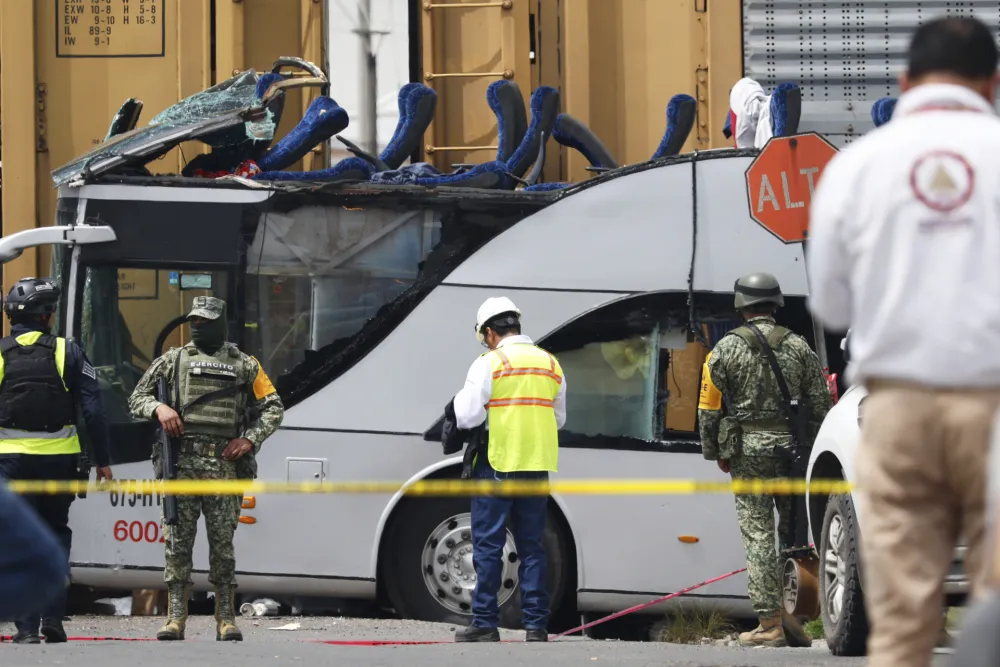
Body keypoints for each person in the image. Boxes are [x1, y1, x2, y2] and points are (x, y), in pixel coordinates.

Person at [806, 16, 1000, 667]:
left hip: (898, 407)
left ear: (904, 81)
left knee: (902, 623)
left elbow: (831, 303)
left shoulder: (856, 168)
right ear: (993, 84)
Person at [128, 296, 283, 642]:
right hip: (181, 464)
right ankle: (175, 619)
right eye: (193, 320)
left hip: (224, 467)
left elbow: (273, 407)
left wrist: (250, 440)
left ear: (220, 322)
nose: (197, 326)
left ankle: (226, 618)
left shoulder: (244, 364)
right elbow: (137, 397)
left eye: (205, 321)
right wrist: (159, 409)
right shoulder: (174, 359)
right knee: (176, 544)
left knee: (222, 545)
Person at [697, 272, 831, 648]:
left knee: (758, 536)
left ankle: (769, 624)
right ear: (776, 305)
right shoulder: (799, 347)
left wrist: (716, 452)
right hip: (791, 452)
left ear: (741, 306)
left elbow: (707, 408)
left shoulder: (723, 350)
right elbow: (821, 404)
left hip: (747, 452)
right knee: (793, 536)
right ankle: (794, 617)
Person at [0, 277, 113, 644]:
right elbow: (94, 412)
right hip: (60, 463)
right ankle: (54, 620)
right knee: (55, 535)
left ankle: (27, 628)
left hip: (10, 464)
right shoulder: (69, 352)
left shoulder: (0, 354)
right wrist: (103, 460)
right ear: (46, 315)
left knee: (18, 539)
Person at [449, 297, 566, 643]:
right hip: (536, 465)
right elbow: (559, 418)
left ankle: (485, 622)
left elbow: (468, 416)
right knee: (532, 548)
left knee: (488, 546)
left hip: (497, 462)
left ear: (489, 332)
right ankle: (536, 626)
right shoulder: (550, 363)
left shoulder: (489, 362)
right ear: (515, 324)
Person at [0, 480, 70, 620]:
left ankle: (28, 630)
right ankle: (52, 621)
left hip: (16, 466)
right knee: (55, 530)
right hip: (59, 469)